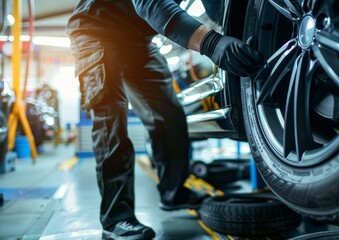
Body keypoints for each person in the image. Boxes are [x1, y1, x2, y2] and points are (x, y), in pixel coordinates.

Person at [66, 0, 264, 239]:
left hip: (138, 40)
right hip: (96, 30)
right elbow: (152, 3)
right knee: (111, 123)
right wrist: (211, 42)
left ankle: (174, 193)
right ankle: (116, 218)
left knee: (170, 117)